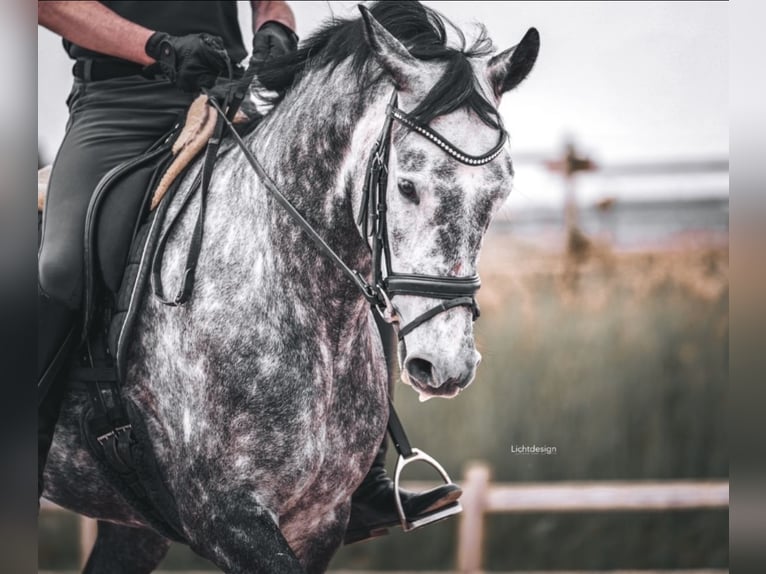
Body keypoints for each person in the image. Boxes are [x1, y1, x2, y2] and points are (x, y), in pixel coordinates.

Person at [38, 0, 460, 544]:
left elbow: (269, 3)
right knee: (62, 264)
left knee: (344, 237)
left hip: (230, 95)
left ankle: (362, 481)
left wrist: (274, 33)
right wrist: (158, 48)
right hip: (122, 102)